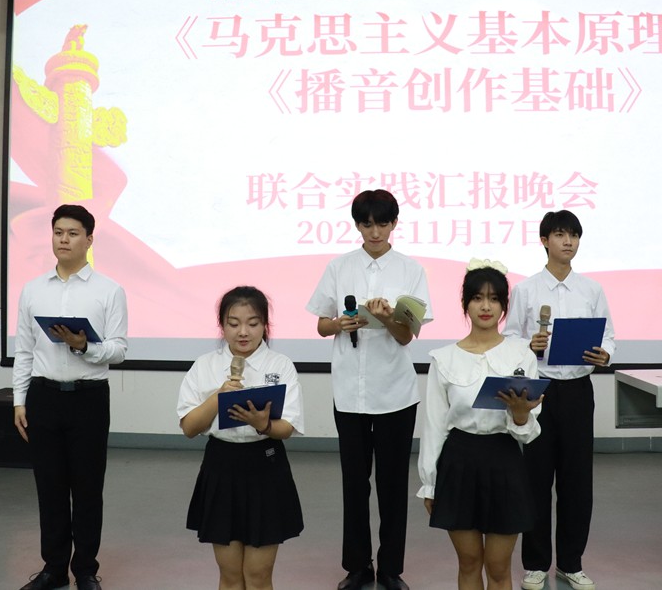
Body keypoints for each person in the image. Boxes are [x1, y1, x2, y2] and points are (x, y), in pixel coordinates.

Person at [306, 189, 432, 590]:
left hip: (395, 393)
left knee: (393, 485)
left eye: (382, 223)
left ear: (394, 223)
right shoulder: (339, 266)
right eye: (366, 224)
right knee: (354, 484)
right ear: (357, 225)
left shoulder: (410, 270)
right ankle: (358, 567)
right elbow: (321, 323)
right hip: (350, 392)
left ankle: (391, 568)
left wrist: (390, 318)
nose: (374, 232)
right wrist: (339, 324)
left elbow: (407, 336)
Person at [12, 204, 128, 590]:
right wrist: (19, 400)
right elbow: (24, 351)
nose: (64, 239)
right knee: (50, 488)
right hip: (44, 396)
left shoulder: (109, 290)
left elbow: (119, 349)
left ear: (89, 240)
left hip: (88, 399)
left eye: (73, 233)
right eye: (58, 232)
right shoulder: (33, 290)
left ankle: (86, 570)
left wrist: (84, 346)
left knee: (88, 488)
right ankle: (54, 569)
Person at [502, 210, 615, 590]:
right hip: (539, 391)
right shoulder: (526, 290)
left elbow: (609, 335)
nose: (568, 242)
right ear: (544, 240)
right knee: (535, 479)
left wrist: (605, 354)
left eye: (574, 236)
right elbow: (509, 338)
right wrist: (527, 345)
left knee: (577, 481)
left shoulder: (591, 290)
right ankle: (535, 564)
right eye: (561, 234)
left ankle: (571, 563)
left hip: (578, 391)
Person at [418, 259, 543, 590]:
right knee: (469, 561)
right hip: (458, 462)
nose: (485, 306)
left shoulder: (521, 355)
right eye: (477, 298)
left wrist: (520, 414)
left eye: (494, 299)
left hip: (504, 459)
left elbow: (528, 429)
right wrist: (430, 483)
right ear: (466, 304)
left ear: (503, 306)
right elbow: (434, 426)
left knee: (499, 567)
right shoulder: (444, 358)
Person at [178, 286, 304, 590]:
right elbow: (189, 427)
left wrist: (264, 425)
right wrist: (218, 396)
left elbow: (288, 428)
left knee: (258, 576)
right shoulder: (205, 365)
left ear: (265, 325)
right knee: (231, 576)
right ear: (222, 325)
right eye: (233, 324)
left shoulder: (280, 365)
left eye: (253, 323)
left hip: (266, 467)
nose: (243, 332)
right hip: (221, 467)